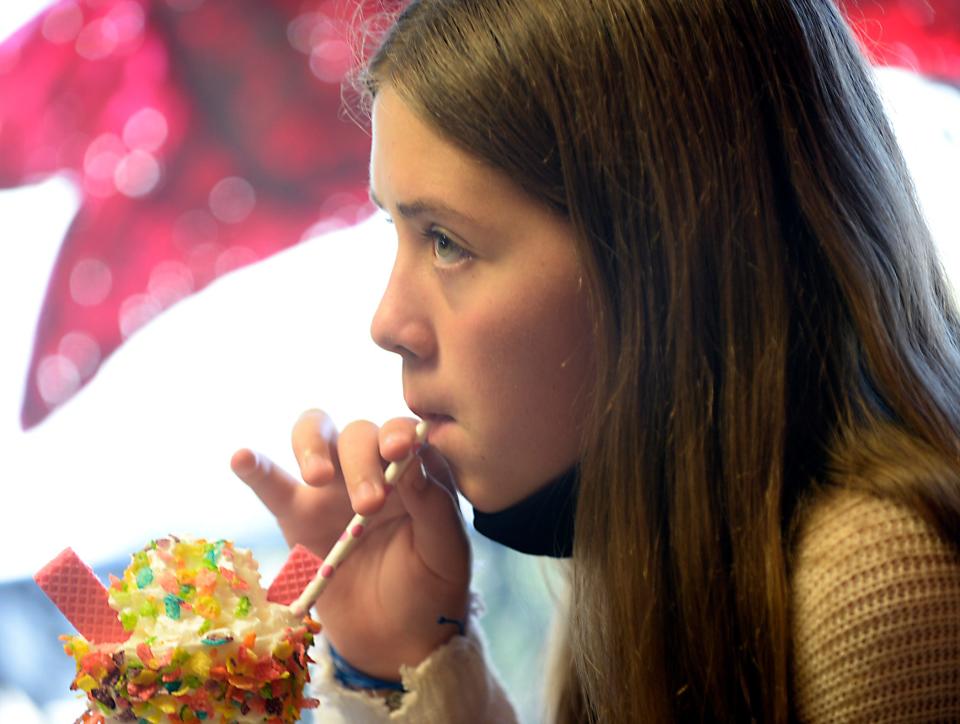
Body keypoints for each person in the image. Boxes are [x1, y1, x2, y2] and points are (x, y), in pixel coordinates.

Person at [231, 0, 960, 721]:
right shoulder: (651, 526)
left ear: (662, 258)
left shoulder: (881, 589)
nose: (388, 324)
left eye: (446, 240)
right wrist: (402, 659)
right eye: (395, 227)